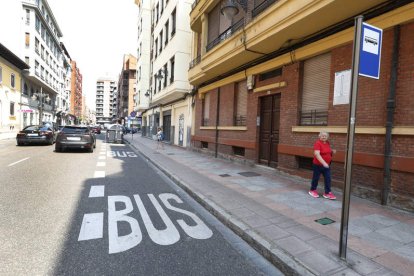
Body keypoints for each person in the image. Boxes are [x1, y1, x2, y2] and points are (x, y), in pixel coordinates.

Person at [308, 131, 336, 200]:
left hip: (326, 165)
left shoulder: (327, 143)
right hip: (318, 165)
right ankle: (312, 190)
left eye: (325, 136)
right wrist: (324, 163)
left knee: (328, 178)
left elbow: (326, 151)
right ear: (319, 136)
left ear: (327, 137)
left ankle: (327, 193)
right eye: (322, 135)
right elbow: (317, 154)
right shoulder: (317, 143)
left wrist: (332, 151)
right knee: (316, 178)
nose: (324, 137)